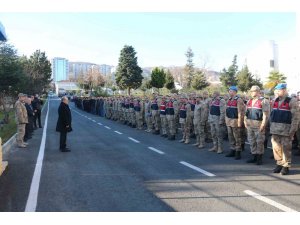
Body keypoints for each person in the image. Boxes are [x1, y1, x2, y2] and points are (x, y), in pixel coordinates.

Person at [270, 83, 299, 175]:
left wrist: (293, 130)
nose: (277, 92)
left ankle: (286, 166)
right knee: (276, 148)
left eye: (279, 90)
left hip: (286, 130)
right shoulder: (275, 100)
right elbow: (272, 115)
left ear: (284, 90)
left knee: (286, 149)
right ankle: (279, 163)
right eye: (276, 90)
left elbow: (295, 118)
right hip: (275, 129)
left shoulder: (292, 101)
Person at [244, 86, 270, 165]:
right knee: (251, 141)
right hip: (250, 124)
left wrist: (263, 124)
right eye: (251, 91)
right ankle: (254, 156)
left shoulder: (264, 101)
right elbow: (246, 113)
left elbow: (266, 114)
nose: (252, 92)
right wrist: (244, 121)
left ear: (258, 91)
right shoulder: (249, 101)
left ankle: (259, 158)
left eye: (254, 91)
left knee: (259, 142)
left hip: (258, 124)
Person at [225, 86, 245, 160]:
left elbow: (241, 112)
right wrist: (226, 120)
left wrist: (240, 122)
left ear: (235, 92)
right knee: (230, 137)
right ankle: (232, 150)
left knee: (237, 137)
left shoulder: (239, 100)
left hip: (235, 121)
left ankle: (238, 151)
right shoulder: (228, 100)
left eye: (231, 91)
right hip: (229, 120)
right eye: (229, 91)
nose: (230, 92)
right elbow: (226, 111)